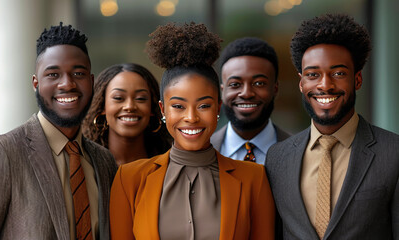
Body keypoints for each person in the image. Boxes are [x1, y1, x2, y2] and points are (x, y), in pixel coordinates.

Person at [109, 22, 275, 240]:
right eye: (178, 106)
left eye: (204, 105)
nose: (191, 117)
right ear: (162, 109)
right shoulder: (129, 179)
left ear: (218, 106)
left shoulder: (254, 178)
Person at [265, 13, 399, 239]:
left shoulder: (393, 152)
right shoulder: (277, 158)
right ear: (301, 83)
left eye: (338, 73)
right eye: (313, 74)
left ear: (357, 79)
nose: (325, 85)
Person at [0, 23, 117, 240]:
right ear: (36, 83)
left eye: (78, 73)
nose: (67, 84)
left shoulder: (104, 162)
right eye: (53, 75)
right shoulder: (4, 152)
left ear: (91, 82)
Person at [211, 37, 290, 165]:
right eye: (235, 84)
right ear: (222, 91)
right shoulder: (201, 151)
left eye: (259, 83)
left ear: (275, 89)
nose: (246, 93)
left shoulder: (300, 152)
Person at [83, 63, 172, 165]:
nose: (129, 106)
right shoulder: (85, 164)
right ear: (102, 106)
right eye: (118, 98)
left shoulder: (170, 165)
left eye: (140, 98)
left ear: (153, 107)